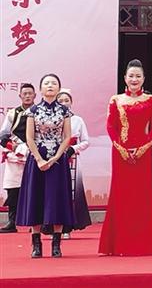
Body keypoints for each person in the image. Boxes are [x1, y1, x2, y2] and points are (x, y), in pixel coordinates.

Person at [99, 59, 152, 256]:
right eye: (131, 76)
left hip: (144, 152)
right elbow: (111, 126)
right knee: (121, 195)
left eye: (138, 76)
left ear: (144, 79)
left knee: (142, 196)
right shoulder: (116, 100)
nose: (134, 79)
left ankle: (144, 243)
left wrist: (145, 147)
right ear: (125, 78)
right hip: (120, 153)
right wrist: (120, 147)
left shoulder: (151, 100)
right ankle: (119, 243)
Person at [16, 74, 74, 258]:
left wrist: (57, 156)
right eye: (46, 83)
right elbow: (29, 137)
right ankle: (36, 244)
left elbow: (67, 136)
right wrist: (39, 159)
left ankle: (57, 244)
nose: (50, 86)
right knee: (36, 197)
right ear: (40, 89)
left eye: (54, 83)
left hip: (58, 160)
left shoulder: (64, 111)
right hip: (37, 159)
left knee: (57, 198)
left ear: (59, 88)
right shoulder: (33, 110)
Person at [55, 89, 91, 236]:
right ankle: (51, 227)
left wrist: (73, 149)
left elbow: (86, 141)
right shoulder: (51, 119)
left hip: (73, 160)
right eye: (60, 101)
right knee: (55, 193)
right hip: (54, 159)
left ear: (71, 102)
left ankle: (67, 228)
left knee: (71, 193)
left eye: (66, 100)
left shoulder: (78, 120)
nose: (64, 103)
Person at [0, 83, 35, 233]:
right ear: (20, 95)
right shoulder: (13, 114)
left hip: (34, 155)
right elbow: (3, 135)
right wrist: (13, 147)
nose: (27, 96)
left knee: (34, 189)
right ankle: (12, 222)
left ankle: (35, 223)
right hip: (15, 156)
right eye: (24, 93)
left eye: (30, 93)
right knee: (13, 190)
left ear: (35, 95)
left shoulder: (39, 112)